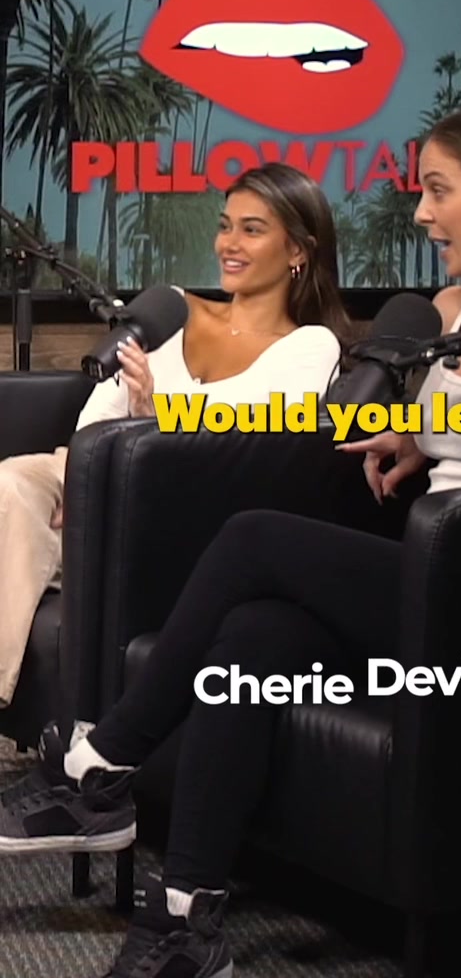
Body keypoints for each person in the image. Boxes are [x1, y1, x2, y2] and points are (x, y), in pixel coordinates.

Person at [2, 101, 461, 978]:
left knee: (257, 539)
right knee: (253, 638)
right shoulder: (453, 311)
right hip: (431, 585)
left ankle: (98, 763)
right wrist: (417, 433)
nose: (420, 213)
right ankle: (188, 916)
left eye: (438, 191)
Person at [0, 162, 347, 709]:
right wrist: (84, 478)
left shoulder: (311, 346)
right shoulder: (173, 309)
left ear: (298, 251)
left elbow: (244, 447)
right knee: (12, 483)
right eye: (225, 225)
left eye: (252, 230)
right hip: (95, 475)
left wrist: (150, 418)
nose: (229, 244)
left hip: (180, 507)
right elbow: (98, 415)